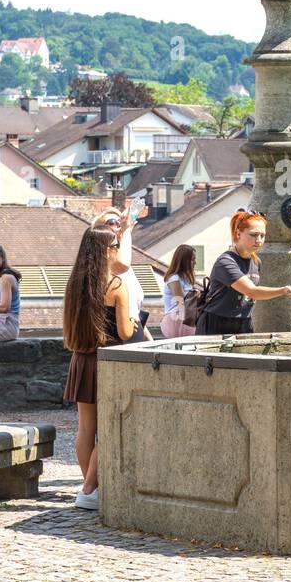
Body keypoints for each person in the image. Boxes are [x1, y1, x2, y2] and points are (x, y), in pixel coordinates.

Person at [63, 205, 149, 511]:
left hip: (81, 358)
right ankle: (90, 489)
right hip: (108, 361)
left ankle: (88, 485)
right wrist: (134, 324)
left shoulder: (75, 283)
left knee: (86, 429)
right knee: (110, 426)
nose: (116, 250)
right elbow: (126, 332)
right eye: (114, 245)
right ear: (105, 251)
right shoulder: (116, 285)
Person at [195, 210, 291, 335]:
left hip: (244, 322)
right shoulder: (225, 262)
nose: (259, 240)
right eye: (253, 235)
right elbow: (251, 291)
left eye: (262, 235)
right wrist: (283, 291)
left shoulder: (256, 262)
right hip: (216, 323)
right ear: (238, 234)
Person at [160, 244, 197, 338]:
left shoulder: (186, 279)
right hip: (175, 320)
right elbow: (180, 301)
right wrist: (195, 296)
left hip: (185, 319)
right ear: (184, 260)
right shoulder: (173, 278)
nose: (195, 262)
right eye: (192, 259)